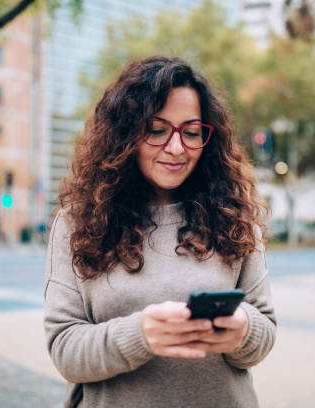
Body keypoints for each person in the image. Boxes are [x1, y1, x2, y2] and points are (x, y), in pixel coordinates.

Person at [44, 56, 276, 408]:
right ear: (125, 134)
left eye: (191, 131)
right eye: (156, 130)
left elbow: (264, 331)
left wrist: (243, 330)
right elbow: (66, 352)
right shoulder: (76, 221)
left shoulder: (235, 214)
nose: (177, 148)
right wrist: (140, 335)